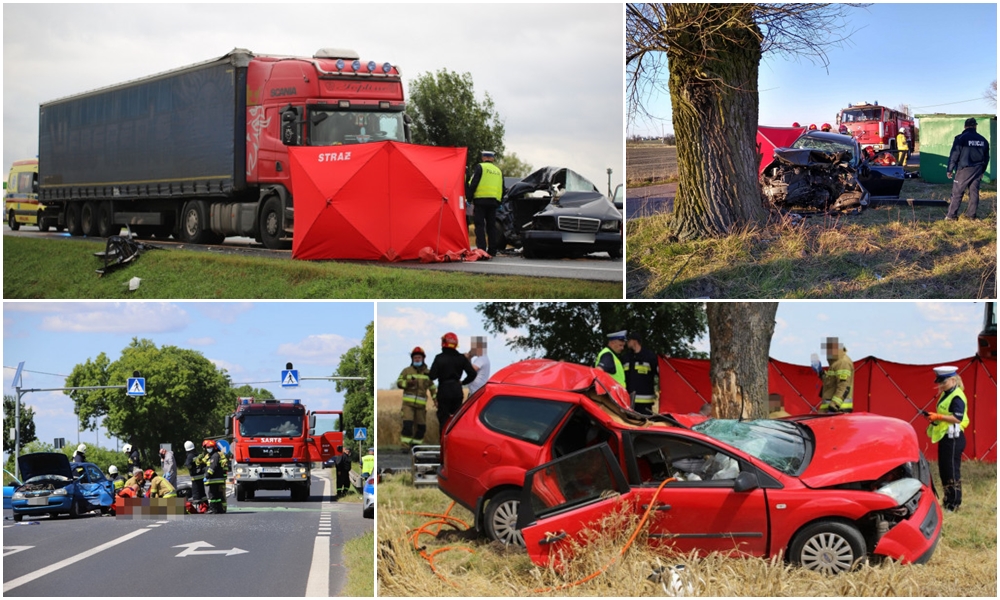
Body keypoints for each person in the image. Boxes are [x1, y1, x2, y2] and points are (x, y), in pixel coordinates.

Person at [924, 366, 970, 511]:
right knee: (944, 470)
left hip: (954, 438)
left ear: (952, 380)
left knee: (951, 470)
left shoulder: (957, 396)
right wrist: (935, 419)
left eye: (943, 382)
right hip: (946, 436)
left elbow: (957, 417)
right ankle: (948, 501)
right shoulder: (947, 393)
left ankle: (954, 504)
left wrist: (939, 416)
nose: (940, 385)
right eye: (939, 382)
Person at [428, 332, 477, 431]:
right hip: (457, 391)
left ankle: (443, 443)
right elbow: (472, 374)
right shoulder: (461, 358)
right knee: (456, 420)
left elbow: (432, 376)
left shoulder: (439, 358)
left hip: (444, 391)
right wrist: (463, 382)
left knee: (443, 419)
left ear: (443, 343)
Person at [946, 117, 991, 221]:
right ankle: (971, 215)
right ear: (975, 126)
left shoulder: (960, 138)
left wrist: (949, 169)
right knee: (974, 193)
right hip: (977, 169)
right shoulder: (983, 140)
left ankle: (951, 216)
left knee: (957, 193)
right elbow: (986, 158)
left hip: (964, 170)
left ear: (965, 126)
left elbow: (954, 155)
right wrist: (982, 171)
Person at [466, 150, 505, 256]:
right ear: (492, 158)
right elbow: (502, 188)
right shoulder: (498, 170)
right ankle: (492, 250)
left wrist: (469, 199)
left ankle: (482, 250)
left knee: (479, 225)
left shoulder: (480, 167)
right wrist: (499, 202)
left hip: (480, 201)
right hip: (493, 202)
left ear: (483, 158)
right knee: (491, 227)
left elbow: (473, 183)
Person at [397, 347, 436, 447]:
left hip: (421, 406)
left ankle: (416, 446)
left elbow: (432, 387)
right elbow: (399, 383)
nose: (417, 359)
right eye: (415, 358)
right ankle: (405, 446)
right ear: (412, 359)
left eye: (419, 357)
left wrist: (435, 399)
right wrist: (408, 383)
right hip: (408, 405)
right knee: (408, 425)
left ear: (423, 359)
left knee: (421, 428)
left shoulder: (428, 373)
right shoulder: (406, 371)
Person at [623, 332, 658, 414]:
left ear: (635, 341)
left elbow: (661, 373)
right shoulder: (626, 358)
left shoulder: (649, 356)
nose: (626, 342)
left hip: (645, 402)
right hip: (629, 401)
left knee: (644, 425)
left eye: (628, 340)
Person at [818, 337, 853, 413]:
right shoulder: (835, 363)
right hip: (829, 410)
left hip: (838, 411)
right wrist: (820, 372)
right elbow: (830, 383)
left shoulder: (843, 363)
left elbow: (844, 387)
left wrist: (834, 406)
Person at [203, 439, 228, 514]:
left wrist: (207, 475)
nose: (208, 449)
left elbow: (213, 466)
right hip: (217, 479)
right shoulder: (213, 455)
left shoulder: (215, 456)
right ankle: (218, 509)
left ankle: (213, 509)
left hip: (214, 479)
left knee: (212, 495)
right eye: (207, 447)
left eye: (209, 447)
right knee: (218, 495)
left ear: (214, 447)